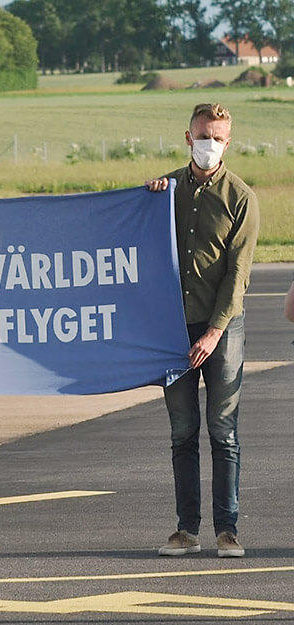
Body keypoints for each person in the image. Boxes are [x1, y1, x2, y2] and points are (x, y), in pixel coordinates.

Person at [145, 103, 259, 558]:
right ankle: (185, 530)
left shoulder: (241, 198)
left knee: (223, 430)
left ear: (228, 142)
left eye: (217, 137)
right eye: (202, 135)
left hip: (222, 328)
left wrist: (213, 332)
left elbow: (239, 274)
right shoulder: (166, 190)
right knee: (182, 431)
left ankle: (227, 530)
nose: (209, 144)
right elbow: (135, 237)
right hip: (173, 327)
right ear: (188, 137)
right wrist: (146, 198)